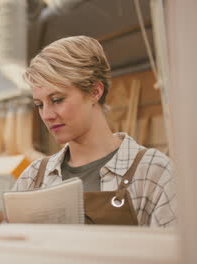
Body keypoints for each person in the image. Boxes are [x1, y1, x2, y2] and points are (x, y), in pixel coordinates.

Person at [12, 36, 176, 227]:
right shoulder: (33, 178)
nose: (46, 115)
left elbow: (176, 255)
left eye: (57, 100)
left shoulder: (152, 173)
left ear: (95, 91)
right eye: (39, 105)